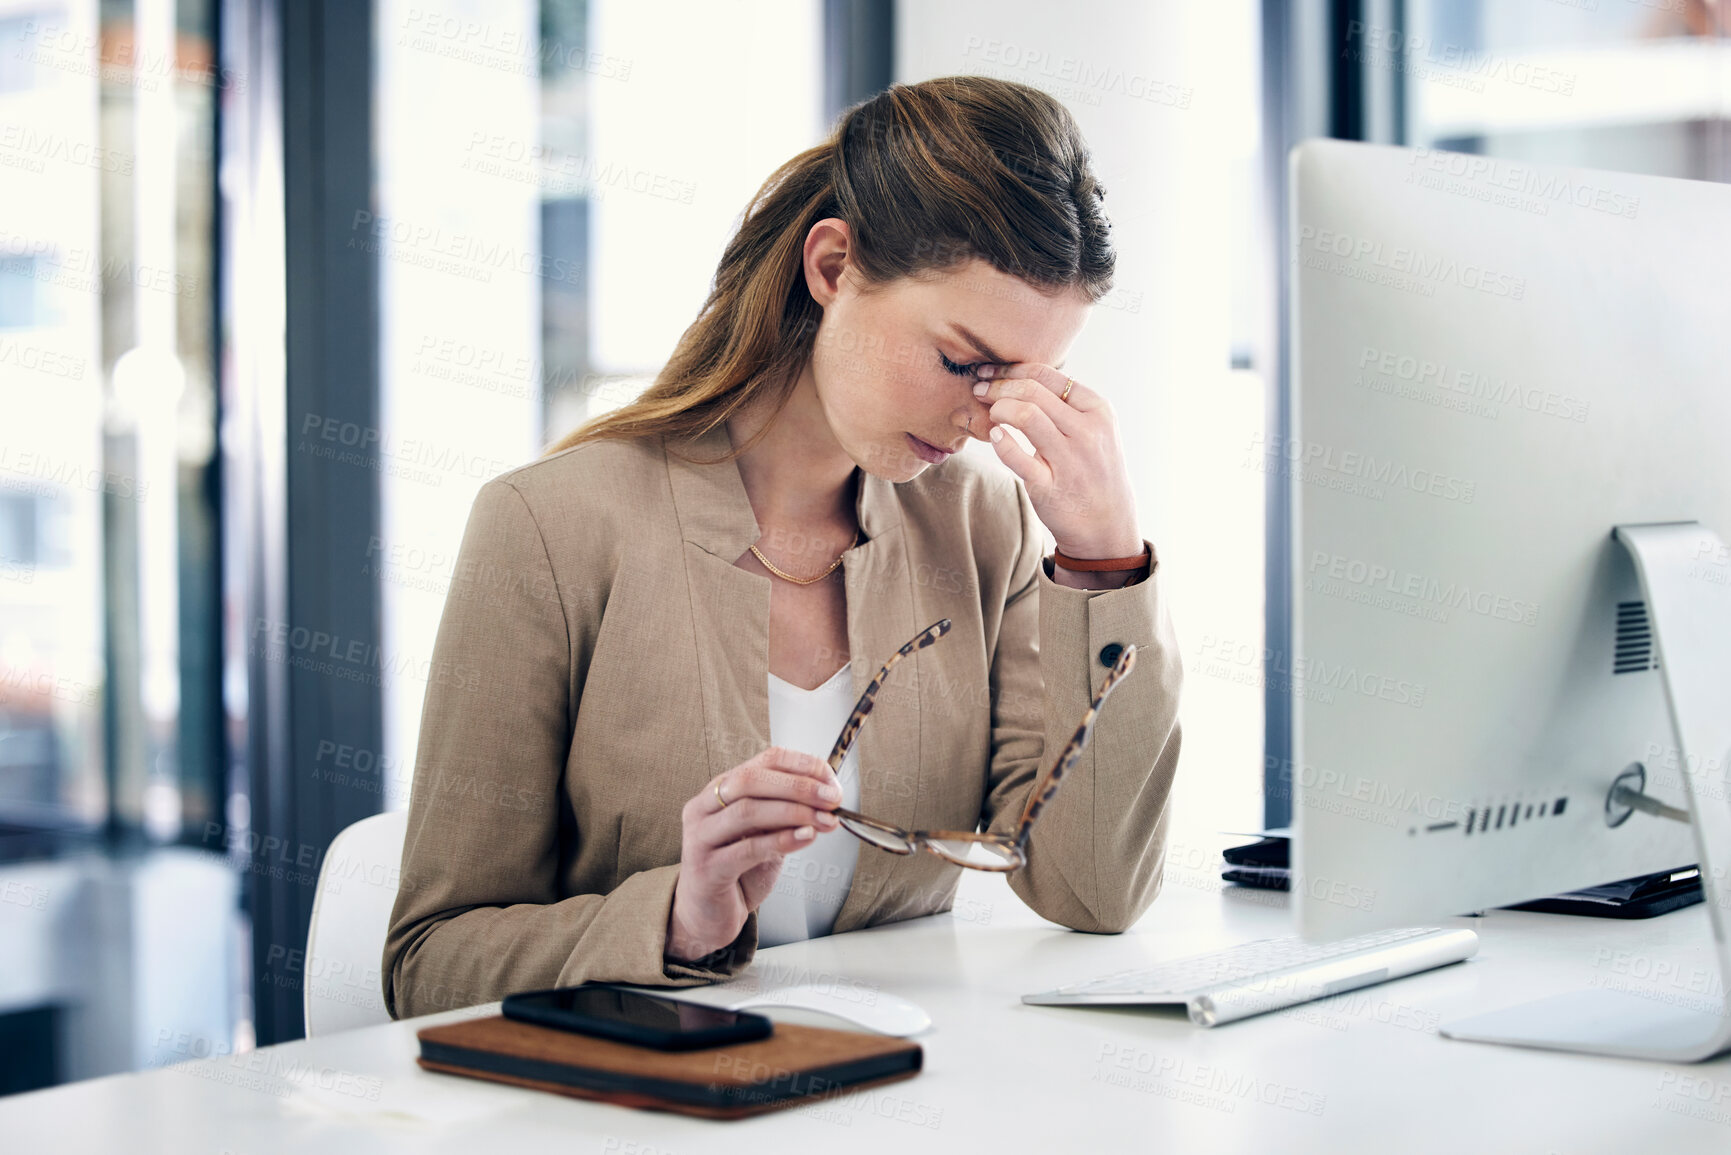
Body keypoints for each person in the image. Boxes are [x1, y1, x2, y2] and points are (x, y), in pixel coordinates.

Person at [382, 75, 1183, 1020]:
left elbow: (1093, 892)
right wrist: (675, 919)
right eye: (962, 362)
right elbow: (427, 964)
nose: (980, 418)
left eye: (1017, 380)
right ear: (833, 267)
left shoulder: (983, 527)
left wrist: (1103, 559)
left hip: (909, 1096)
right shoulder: (548, 526)